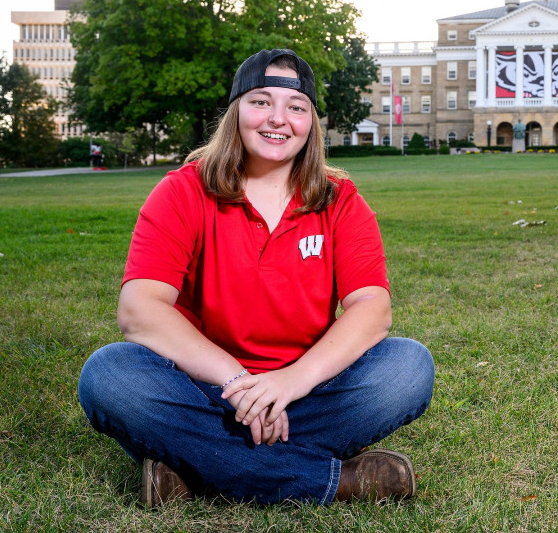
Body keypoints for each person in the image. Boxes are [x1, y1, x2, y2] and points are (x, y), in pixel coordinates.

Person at [78, 49, 435, 507]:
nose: (278, 119)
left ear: (311, 123)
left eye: (296, 107)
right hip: (206, 391)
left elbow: (373, 310)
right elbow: (139, 310)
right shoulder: (182, 191)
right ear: (236, 112)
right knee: (110, 375)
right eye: (261, 101)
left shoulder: (340, 201)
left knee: (407, 368)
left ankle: (195, 468)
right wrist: (240, 384)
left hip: (308, 392)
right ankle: (334, 482)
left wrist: (287, 385)